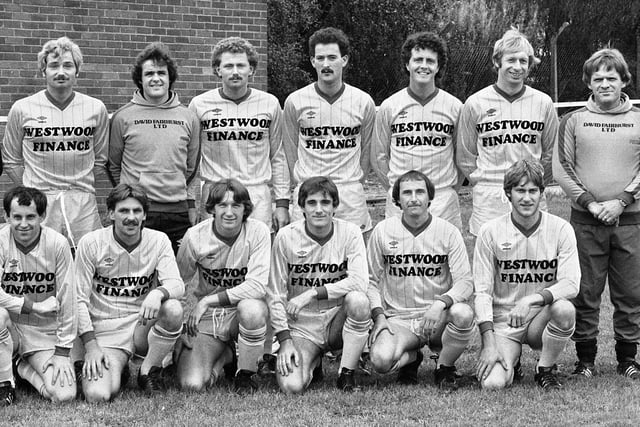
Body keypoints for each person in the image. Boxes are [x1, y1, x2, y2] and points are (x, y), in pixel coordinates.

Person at [553, 48, 640, 379]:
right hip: (586, 223)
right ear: (589, 82)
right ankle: (585, 359)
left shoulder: (637, 119)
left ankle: (627, 359)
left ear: (623, 81)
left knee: (630, 295)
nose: (605, 84)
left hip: (631, 221)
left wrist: (621, 201)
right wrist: (591, 203)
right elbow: (562, 169)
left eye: (611, 78)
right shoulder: (573, 120)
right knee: (586, 293)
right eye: (598, 78)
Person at [474, 160, 579, 390]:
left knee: (565, 309)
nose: (527, 198)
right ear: (507, 194)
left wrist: (530, 299)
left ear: (542, 194)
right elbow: (481, 292)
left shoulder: (561, 229)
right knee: (493, 384)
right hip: (505, 321)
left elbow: (571, 284)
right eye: (520, 190)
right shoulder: (489, 231)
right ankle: (512, 362)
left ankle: (544, 369)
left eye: (533, 191)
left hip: (540, 318)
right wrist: (488, 343)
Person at [75, 184, 184, 401]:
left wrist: (157, 293)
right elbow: (77, 299)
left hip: (141, 325)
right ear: (111, 214)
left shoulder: (159, 240)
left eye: (137, 211)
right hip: (105, 328)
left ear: (144, 215)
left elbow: (177, 284)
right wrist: (91, 345)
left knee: (172, 308)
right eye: (124, 211)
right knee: (98, 395)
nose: (131, 217)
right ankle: (119, 368)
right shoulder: (91, 243)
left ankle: (149, 371)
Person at [367, 171, 474, 389]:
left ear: (429, 197)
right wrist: (379, 316)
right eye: (407, 193)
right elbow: (369, 280)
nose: (414, 198)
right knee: (380, 361)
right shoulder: (383, 231)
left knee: (463, 314)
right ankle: (412, 358)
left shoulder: (448, 232)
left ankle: (443, 367)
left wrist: (440, 303)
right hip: (399, 318)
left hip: (437, 318)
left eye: (420, 192)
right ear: (397, 199)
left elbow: (465, 282)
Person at [2, 37, 108, 249]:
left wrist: (76, 182)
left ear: (77, 71)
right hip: (39, 200)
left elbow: (100, 159)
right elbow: (11, 159)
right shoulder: (22, 108)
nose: (61, 71)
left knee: (85, 261)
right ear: (44, 71)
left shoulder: (96, 108)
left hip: (82, 200)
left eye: (68, 65)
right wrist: (32, 189)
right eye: (54, 65)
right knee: (40, 260)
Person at [267, 176, 371, 393]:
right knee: (292, 387)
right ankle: (313, 361)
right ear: (302, 207)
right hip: (302, 325)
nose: (319, 210)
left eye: (325, 203)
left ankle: (346, 374)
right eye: (312, 203)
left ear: (335, 206)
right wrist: (284, 340)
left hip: (337, 319)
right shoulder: (286, 237)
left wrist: (313, 293)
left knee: (359, 301)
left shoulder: (350, 232)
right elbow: (274, 294)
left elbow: (360, 282)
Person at [457, 28, 558, 236]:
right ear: (497, 62)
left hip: (530, 196)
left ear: (530, 65)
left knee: (533, 262)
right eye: (511, 60)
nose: (517, 67)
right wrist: (484, 181)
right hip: (489, 199)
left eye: (523, 61)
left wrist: (534, 183)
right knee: (488, 264)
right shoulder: (475, 103)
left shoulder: (543, 102)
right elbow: (465, 156)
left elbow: (551, 153)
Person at [175, 179, 271, 394]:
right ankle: (226, 357)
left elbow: (257, 286)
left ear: (245, 209)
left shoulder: (258, 231)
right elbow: (177, 283)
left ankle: (246, 375)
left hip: (241, 314)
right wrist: (180, 325)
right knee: (192, 384)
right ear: (212, 209)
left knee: (252, 309)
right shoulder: (195, 236)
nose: (229, 212)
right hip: (210, 317)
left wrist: (208, 300)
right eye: (222, 205)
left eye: (236, 205)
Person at [189, 37, 290, 231]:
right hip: (215, 194)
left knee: (258, 256)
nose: (235, 72)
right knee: (214, 256)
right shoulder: (199, 104)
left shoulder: (269, 103)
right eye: (228, 66)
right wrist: (191, 202)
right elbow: (191, 161)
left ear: (251, 69)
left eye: (241, 66)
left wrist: (282, 204)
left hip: (256, 194)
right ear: (218, 70)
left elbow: (278, 156)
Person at [109, 42, 200, 254]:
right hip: (138, 211)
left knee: (176, 275)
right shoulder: (123, 117)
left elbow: (192, 167)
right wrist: (131, 194)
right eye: (149, 73)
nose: (156, 78)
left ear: (170, 78)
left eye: (162, 73)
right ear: (140, 79)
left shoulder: (189, 117)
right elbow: (113, 165)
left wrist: (173, 188)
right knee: (136, 273)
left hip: (176, 211)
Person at [283, 27, 376, 234]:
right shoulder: (295, 101)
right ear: (312, 61)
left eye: (332, 57)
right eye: (320, 58)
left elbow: (367, 151)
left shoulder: (363, 102)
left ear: (344, 60)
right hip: (309, 194)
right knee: (306, 261)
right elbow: (290, 151)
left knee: (353, 262)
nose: (326, 64)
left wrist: (352, 180)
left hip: (349, 195)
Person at [372, 32, 463, 229]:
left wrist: (450, 189)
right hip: (401, 200)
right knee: (400, 257)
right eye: (418, 59)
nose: (424, 65)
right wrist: (398, 191)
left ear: (438, 66)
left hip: (443, 199)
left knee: (443, 257)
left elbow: (460, 156)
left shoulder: (455, 107)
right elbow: (379, 156)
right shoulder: (390, 106)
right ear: (407, 64)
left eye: (430, 61)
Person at [0, 186, 75, 404]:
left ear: (42, 216)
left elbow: (68, 298)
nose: (23, 224)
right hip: (8, 328)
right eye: (17, 217)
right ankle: (5, 383)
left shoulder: (58, 243)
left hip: (42, 331)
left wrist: (62, 351)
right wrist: (32, 306)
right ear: (6, 216)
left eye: (30, 216)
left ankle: (19, 366)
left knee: (64, 395)